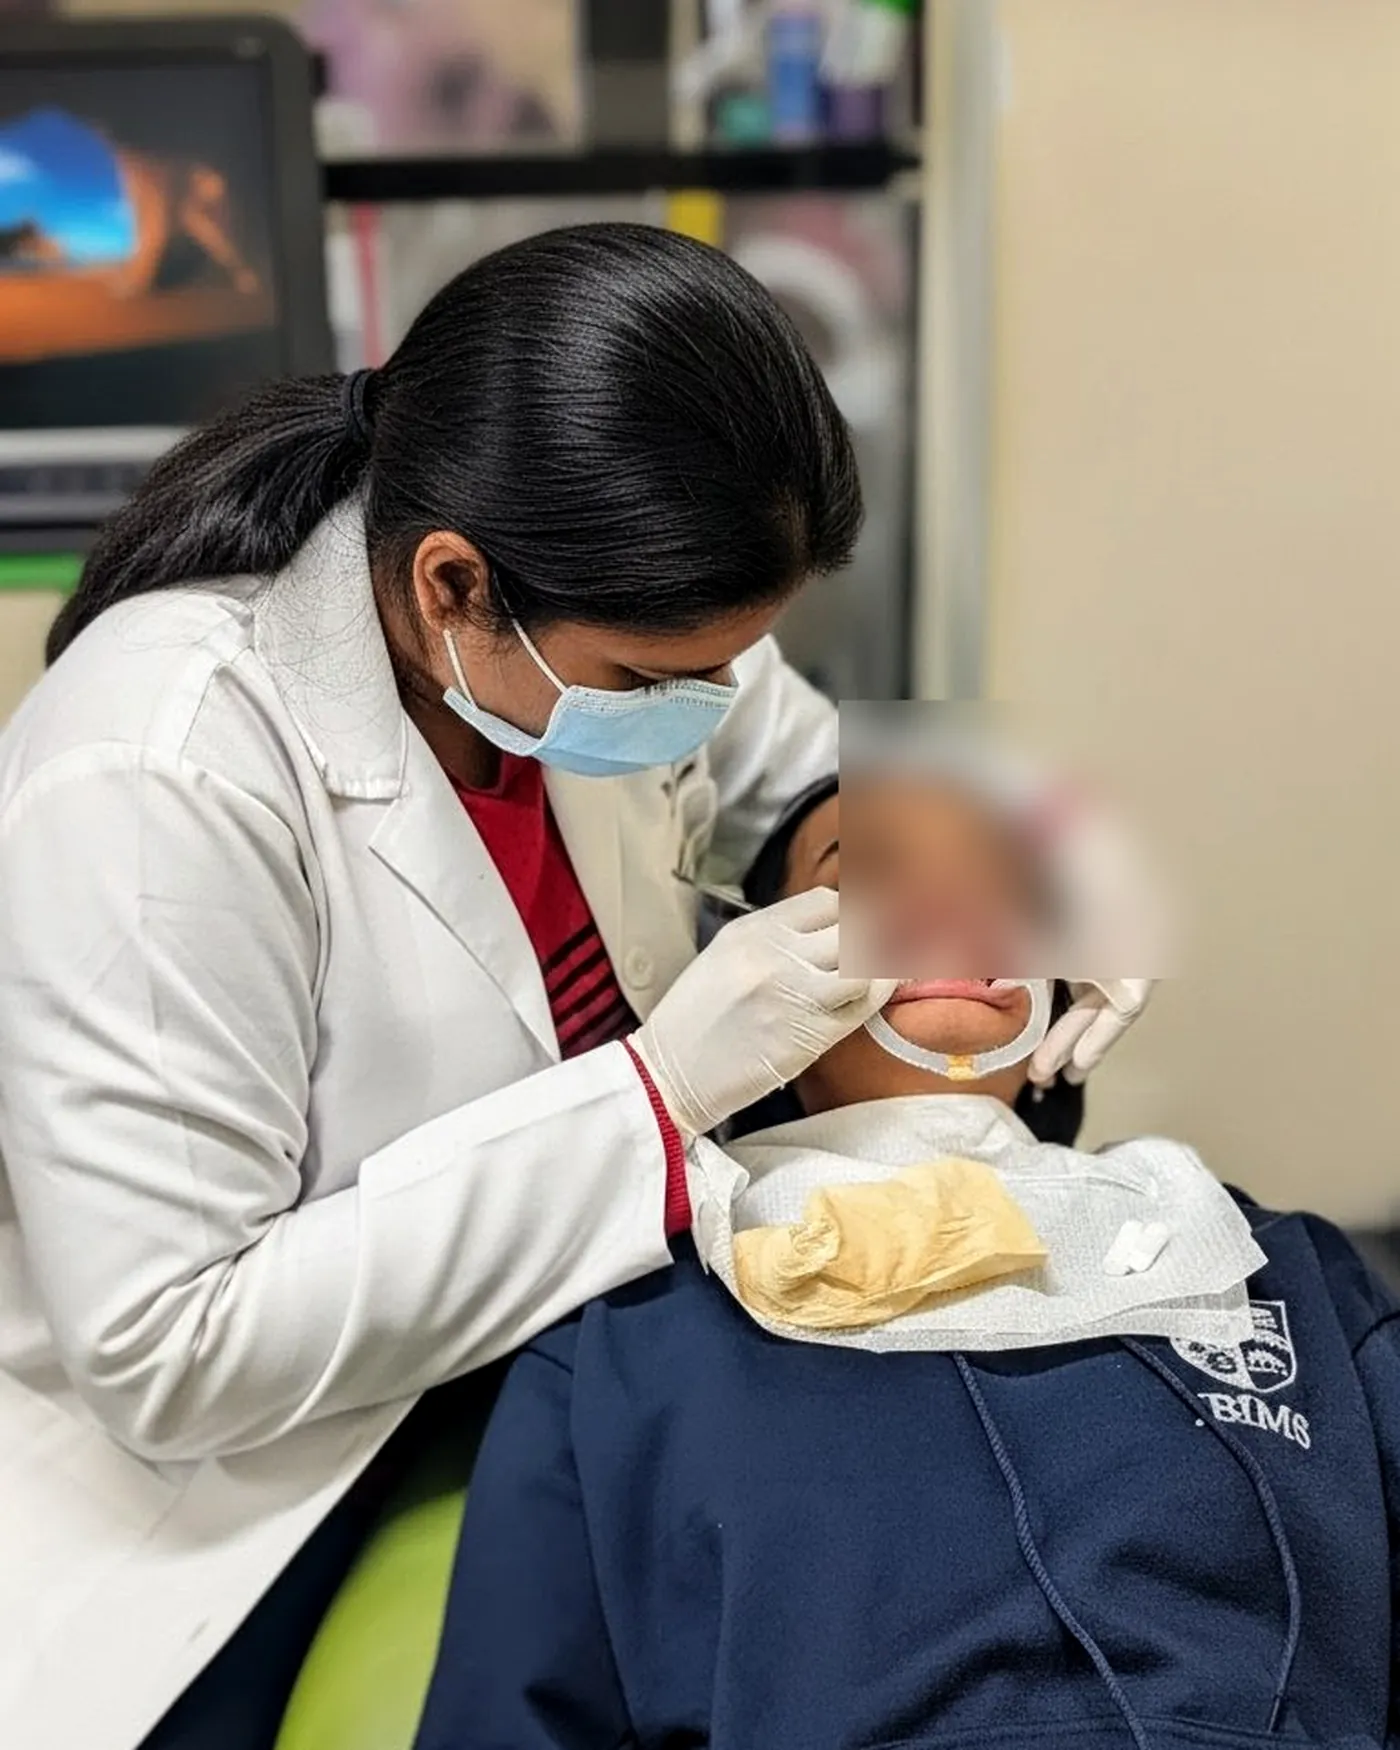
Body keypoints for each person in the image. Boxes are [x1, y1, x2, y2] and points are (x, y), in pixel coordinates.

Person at [0, 222, 1141, 1750]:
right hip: (252, 1481)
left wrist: (1003, 855)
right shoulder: (157, 765)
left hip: (579, 1340)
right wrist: (663, 1096)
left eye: (732, 661)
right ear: (455, 584)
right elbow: (173, 1355)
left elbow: (804, 768)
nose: (703, 710)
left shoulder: (597, 634)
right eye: (652, 684)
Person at [413, 778, 1400, 1750]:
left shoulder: (1277, 1274)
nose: (948, 905)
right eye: (870, 873)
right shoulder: (630, 1339)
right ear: (749, 980)